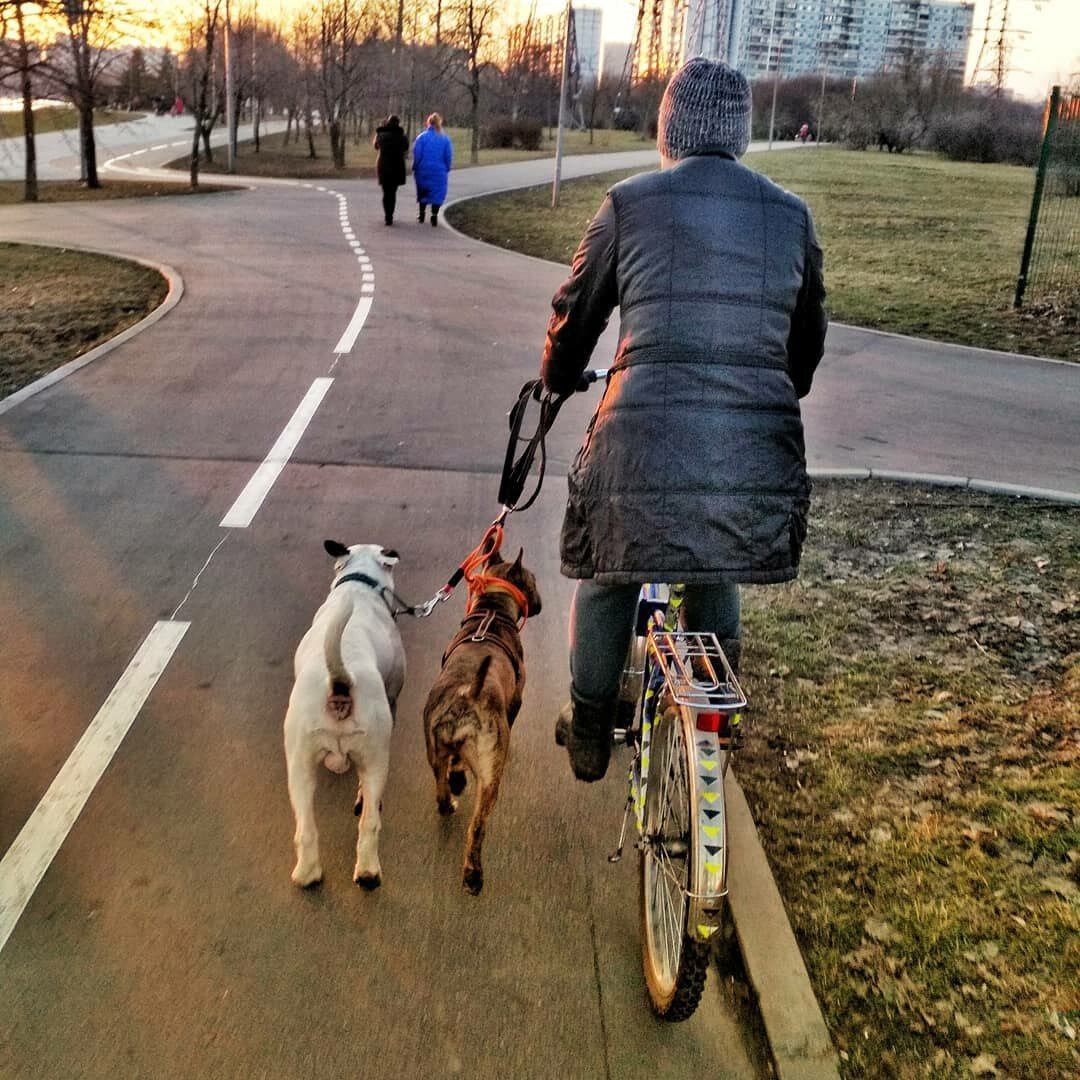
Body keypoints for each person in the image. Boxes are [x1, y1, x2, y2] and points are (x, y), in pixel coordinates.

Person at [541, 57, 827, 782]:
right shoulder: (790, 216)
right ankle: (711, 713)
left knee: (610, 572)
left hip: (638, 445)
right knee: (716, 559)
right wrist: (772, 388)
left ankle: (589, 727)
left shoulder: (627, 204)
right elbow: (806, 346)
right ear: (738, 137)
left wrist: (558, 377)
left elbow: (576, 315)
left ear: (667, 130)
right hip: (754, 451)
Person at [412, 113, 453, 226]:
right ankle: (434, 215)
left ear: (428, 123)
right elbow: (448, 156)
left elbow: (417, 155)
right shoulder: (445, 139)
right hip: (439, 170)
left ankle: (421, 214)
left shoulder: (422, 137)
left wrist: (415, 167)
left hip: (423, 169)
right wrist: (447, 167)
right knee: (437, 193)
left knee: (423, 191)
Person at [373, 114, 409, 226]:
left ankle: (387, 215)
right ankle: (390, 215)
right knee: (392, 193)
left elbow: (375, 146)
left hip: (383, 166)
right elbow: (406, 148)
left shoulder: (381, 135)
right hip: (397, 167)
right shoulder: (402, 137)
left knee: (385, 192)